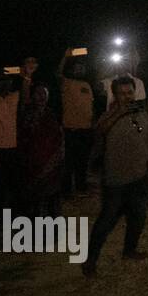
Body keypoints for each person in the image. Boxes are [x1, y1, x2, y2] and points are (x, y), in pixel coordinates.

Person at [83, 75, 148, 276]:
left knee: (138, 216)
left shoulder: (140, 112)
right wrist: (119, 113)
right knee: (106, 221)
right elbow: (99, 131)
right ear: (115, 95)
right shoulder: (108, 115)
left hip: (138, 175)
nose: (127, 97)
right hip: (116, 179)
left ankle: (129, 250)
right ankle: (90, 261)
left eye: (129, 92)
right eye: (122, 93)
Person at [18, 84, 64, 216]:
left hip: (51, 165)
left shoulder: (51, 115)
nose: (41, 97)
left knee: (50, 200)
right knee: (33, 201)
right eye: (38, 94)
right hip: (32, 165)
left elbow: (58, 138)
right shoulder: (27, 115)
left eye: (44, 94)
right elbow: (23, 138)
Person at [60, 51, 97, 198]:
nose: (80, 70)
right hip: (71, 129)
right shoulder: (66, 83)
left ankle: (81, 187)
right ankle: (67, 190)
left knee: (83, 160)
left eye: (82, 68)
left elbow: (90, 106)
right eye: (77, 67)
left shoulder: (87, 85)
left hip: (86, 129)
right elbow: (58, 72)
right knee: (69, 162)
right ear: (71, 69)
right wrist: (66, 56)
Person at [0, 72, 21, 215]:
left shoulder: (13, 98)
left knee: (11, 182)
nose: (6, 86)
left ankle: (11, 213)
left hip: (11, 147)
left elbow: (24, 90)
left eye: (8, 83)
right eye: (2, 83)